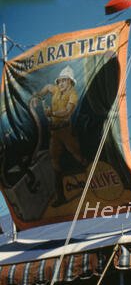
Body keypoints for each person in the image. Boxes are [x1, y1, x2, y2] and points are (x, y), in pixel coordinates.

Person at [30, 65, 87, 207]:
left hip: (66, 131)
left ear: (70, 82)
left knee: (77, 155)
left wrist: (52, 114)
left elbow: (67, 111)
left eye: (64, 81)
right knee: (54, 162)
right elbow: (48, 87)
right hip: (54, 133)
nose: (60, 83)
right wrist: (37, 96)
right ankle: (60, 196)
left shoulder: (72, 94)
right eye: (59, 81)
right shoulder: (56, 90)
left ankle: (92, 185)